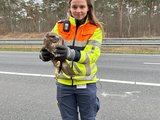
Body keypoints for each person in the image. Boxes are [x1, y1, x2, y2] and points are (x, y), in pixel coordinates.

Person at [39, 0, 103, 119]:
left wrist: (70, 53)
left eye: (82, 7)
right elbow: (50, 44)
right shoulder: (59, 26)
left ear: (88, 8)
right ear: (69, 8)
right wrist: (44, 54)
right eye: (74, 7)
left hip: (86, 83)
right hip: (64, 84)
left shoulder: (95, 29)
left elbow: (92, 55)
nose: (78, 10)